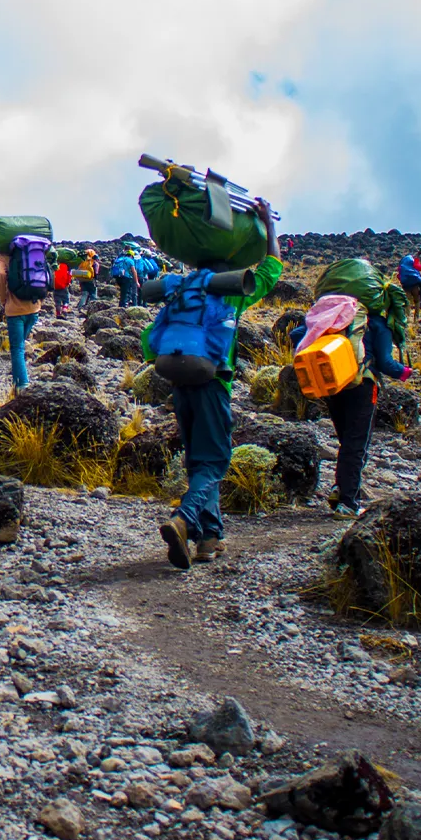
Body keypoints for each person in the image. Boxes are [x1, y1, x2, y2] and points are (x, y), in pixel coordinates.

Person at [149, 199, 282, 570]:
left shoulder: (182, 290)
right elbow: (272, 268)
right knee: (216, 460)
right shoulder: (231, 291)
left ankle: (210, 537)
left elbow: (149, 340)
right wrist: (269, 224)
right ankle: (184, 519)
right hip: (212, 382)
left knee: (197, 459)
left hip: (178, 379)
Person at [291, 283, 413, 518]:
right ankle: (348, 502)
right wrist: (405, 372)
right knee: (356, 444)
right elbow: (386, 363)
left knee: (346, 440)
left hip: (333, 385)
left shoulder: (332, 317)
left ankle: (341, 488)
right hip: (362, 386)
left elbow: (296, 335)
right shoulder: (376, 322)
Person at [0, 247, 42, 390]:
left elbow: (0, 275)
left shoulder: (2, 257)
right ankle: (19, 377)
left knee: (17, 349)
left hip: (15, 310)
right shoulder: (31, 251)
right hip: (34, 308)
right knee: (20, 344)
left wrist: (3, 299)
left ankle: (22, 385)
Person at [397, 253, 421, 322]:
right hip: (415, 284)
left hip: (406, 285)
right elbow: (419, 272)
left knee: (407, 300)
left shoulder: (402, 265)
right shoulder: (413, 263)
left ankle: (407, 316)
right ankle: (416, 317)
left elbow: (399, 275)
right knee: (417, 300)